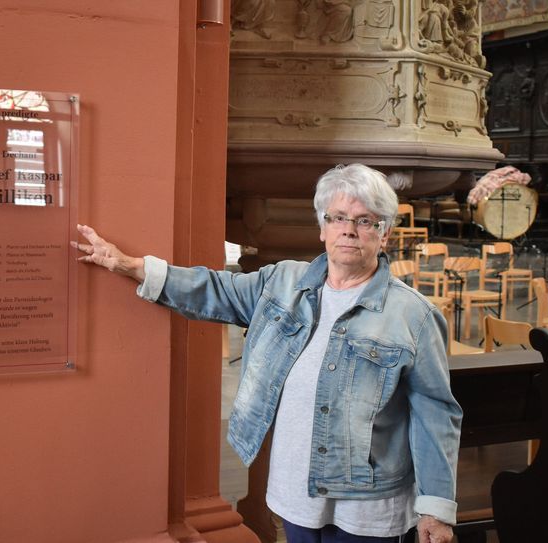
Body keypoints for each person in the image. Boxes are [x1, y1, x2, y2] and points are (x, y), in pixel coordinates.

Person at [72, 164, 461, 543]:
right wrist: (129, 266)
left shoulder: (414, 315)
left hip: (370, 504)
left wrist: (436, 509)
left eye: (364, 220)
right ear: (323, 226)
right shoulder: (282, 281)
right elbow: (215, 289)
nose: (349, 230)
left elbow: (435, 414)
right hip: (295, 491)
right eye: (338, 217)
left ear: (384, 234)